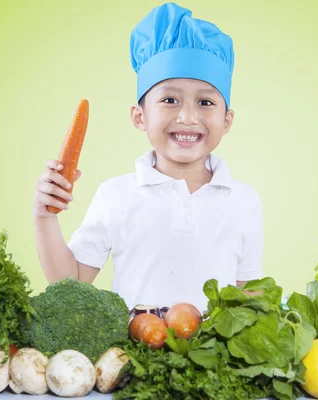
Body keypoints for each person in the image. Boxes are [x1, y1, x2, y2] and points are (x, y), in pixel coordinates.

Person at [32, 2, 263, 312]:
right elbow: (70, 283)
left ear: (227, 120)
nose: (187, 117)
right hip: (136, 356)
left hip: (215, 361)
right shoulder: (115, 195)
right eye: (169, 99)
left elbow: (247, 299)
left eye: (206, 102)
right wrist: (45, 217)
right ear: (139, 116)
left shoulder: (244, 200)